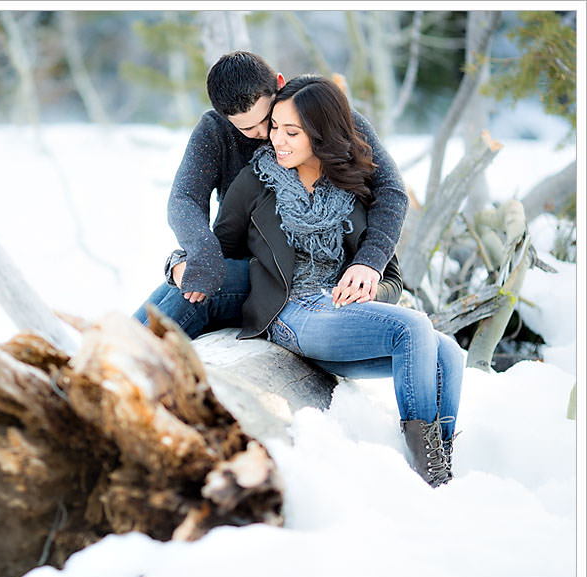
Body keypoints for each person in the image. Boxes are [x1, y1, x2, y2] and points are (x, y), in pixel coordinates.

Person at [212, 75, 463, 487]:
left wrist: (365, 286)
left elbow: (392, 279)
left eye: (291, 132)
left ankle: (439, 462)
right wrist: (181, 264)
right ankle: (427, 475)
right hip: (290, 311)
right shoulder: (257, 181)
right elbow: (221, 247)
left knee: (448, 351)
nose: (277, 140)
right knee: (415, 326)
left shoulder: (353, 187)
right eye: (275, 128)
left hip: (338, 315)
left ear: (320, 133)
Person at [133, 51, 409, 339]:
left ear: (279, 84)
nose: (267, 133)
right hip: (247, 258)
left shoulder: (326, 117)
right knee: (182, 290)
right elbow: (184, 198)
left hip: (307, 272)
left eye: (267, 119)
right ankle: (108, 357)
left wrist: (371, 261)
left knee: (187, 291)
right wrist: (199, 253)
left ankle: (123, 359)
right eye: (247, 128)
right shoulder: (215, 131)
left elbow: (391, 189)